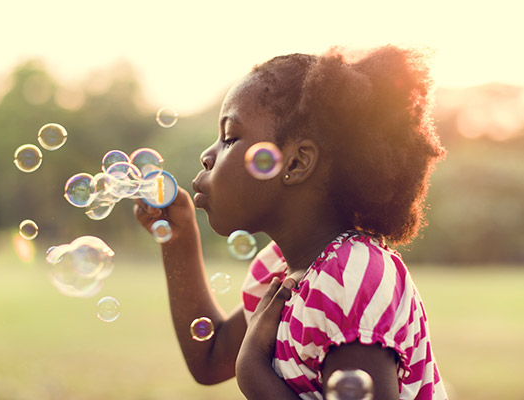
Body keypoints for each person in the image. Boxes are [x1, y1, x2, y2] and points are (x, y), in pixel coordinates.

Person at [134, 45, 448, 400]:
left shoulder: (353, 276)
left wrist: (253, 373)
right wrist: (178, 239)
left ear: (296, 163)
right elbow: (209, 359)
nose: (207, 156)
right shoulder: (279, 269)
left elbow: (238, 364)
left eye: (230, 137)